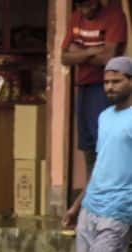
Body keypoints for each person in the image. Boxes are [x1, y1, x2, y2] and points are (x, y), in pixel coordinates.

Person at [62, 56, 132, 252]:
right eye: (106, 82)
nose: (109, 87)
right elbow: (99, 165)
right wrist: (75, 206)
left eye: (117, 81)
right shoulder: (104, 117)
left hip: (120, 206)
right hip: (92, 204)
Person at [60, 0, 128, 178]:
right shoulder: (76, 17)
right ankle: (92, 192)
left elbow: (108, 58)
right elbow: (64, 57)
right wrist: (91, 51)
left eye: (89, 5)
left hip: (105, 85)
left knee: (104, 144)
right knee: (87, 144)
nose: (85, 10)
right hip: (83, 85)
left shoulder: (114, 15)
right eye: (81, 6)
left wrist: (79, 52)